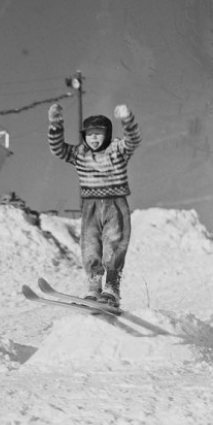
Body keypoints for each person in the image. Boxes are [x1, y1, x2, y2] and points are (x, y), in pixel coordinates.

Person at [48, 101, 142, 307]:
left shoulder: (117, 149)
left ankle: (111, 288)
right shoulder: (79, 153)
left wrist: (127, 119)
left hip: (115, 204)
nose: (94, 138)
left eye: (98, 134)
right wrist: (56, 123)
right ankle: (93, 286)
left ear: (107, 134)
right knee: (90, 246)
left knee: (114, 244)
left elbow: (133, 140)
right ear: (84, 136)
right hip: (90, 206)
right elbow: (57, 149)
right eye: (90, 134)